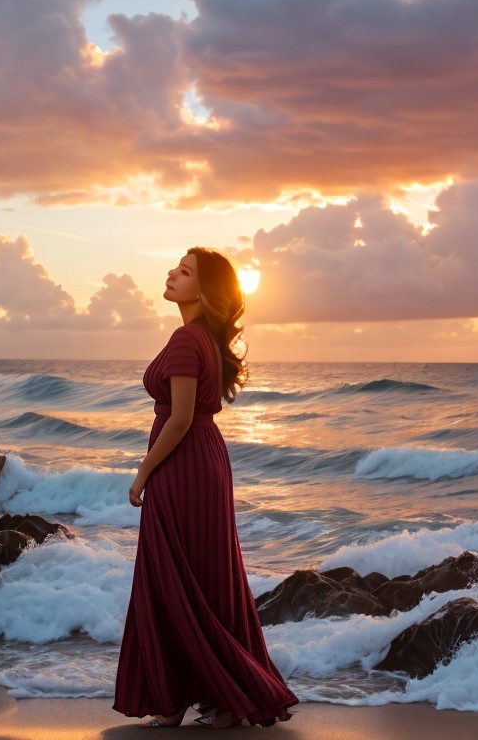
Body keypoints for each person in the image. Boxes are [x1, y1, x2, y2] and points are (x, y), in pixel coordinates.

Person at [112, 247, 298, 728]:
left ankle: (179, 699)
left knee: (170, 575)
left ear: (205, 290)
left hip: (181, 464)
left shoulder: (184, 339)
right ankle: (219, 698)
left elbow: (176, 421)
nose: (172, 273)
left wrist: (142, 473)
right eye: (176, 266)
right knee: (205, 578)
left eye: (185, 271)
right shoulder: (205, 340)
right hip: (207, 462)